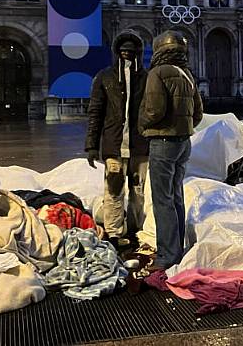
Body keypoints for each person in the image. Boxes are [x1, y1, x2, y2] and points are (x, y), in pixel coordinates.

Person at [138, 30, 203, 271]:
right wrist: (183, 126)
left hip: (163, 142)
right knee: (175, 195)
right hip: (183, 142)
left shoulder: (157, 73)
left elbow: (154, 110)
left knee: (162, 199)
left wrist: (141, 123)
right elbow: (198, 113)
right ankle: (179, 249)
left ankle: (167, 256)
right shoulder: (187, 75)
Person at [85, 30, 149, 248]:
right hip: (114, 145)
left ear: (138, 53)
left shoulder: (147, 78)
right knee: (113, 190)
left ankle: (136, 230)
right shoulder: (105, 77)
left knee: (138, 191)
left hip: (140, 147)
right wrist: (91, 145)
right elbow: (95, 112)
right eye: (123, 51)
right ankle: (114, 232)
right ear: (116, 52)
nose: (127, 55)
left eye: (131, 51)